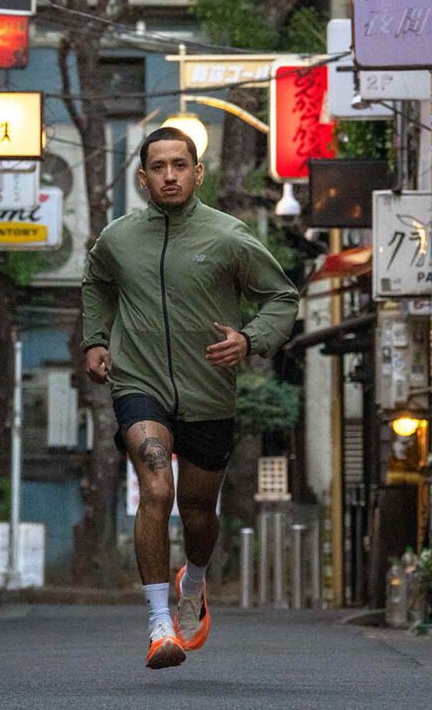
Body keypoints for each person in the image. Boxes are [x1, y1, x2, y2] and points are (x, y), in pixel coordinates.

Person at [80, 127, 299, 669]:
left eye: (181, 165)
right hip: (139, 383)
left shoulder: (229, 236)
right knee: (156, 487)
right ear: (143, 176)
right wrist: (96, 338)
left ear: (198, 173)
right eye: (159, 166)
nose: (170, 175)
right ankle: (160, 625)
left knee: (197, 512)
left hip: (208, 394)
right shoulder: (119, 238)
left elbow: (281, 297)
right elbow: (97, 282)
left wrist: (249, 340)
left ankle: (193, 579)